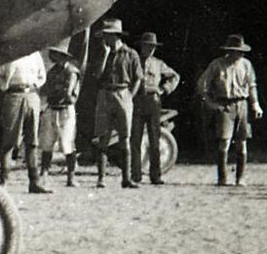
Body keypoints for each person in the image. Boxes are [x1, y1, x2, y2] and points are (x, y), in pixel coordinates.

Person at [197, 34, 263, 187]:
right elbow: (202, 85)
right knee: (224, 142)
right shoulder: (217, 65)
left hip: (242, 104)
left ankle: (240, 178)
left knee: (242, 142)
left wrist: (255, 104)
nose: (239, 54)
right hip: (225, 105)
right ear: (229, 51)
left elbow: (252, 85)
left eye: (241, 51)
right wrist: (211, 103)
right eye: (236, 51)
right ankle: (223, 178)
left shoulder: (246, 65)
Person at [94, 18, 143, 189]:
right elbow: (98, 75)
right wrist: (106, 55)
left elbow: (138, 77)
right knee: (103, 137)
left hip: (123, 93)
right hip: (105, 93)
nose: (105, 40)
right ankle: (101, 178)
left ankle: (126, 178)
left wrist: (130, 95)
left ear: (115, 36)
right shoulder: (103, 54)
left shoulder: (131, 54)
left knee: (125, 137)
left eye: (107, 36)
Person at [130, 32, 180, 186]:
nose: (150, 49)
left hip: (153, 100)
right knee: (136, 139)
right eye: (147, 46)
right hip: (137, 100)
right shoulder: (134, 61)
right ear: (142, 46)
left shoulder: (159, 64)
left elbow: (175, 76)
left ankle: (155, 175)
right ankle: (136, 175)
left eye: (152, 47)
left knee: (154, 139)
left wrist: (164, 89)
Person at [0, 53, 49, 192]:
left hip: (31, 95)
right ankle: (4, 181)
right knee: (9, 139)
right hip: (13, 95)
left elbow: (42, 75)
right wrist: (5, 86)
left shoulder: (35, 54)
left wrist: (34, 85)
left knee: (32, 141)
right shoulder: (8, 54)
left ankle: (34, 182)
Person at [40, 42, 82, 187]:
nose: (52, 56)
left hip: (65, 109)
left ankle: (71, 176)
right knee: (47, 142)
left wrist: (59, 91)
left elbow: (68, 93)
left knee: (67, 143)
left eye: (55, 53)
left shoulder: (71, 72)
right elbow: (46, 90)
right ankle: (44, 173)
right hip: (53, 107)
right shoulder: (52, 72)